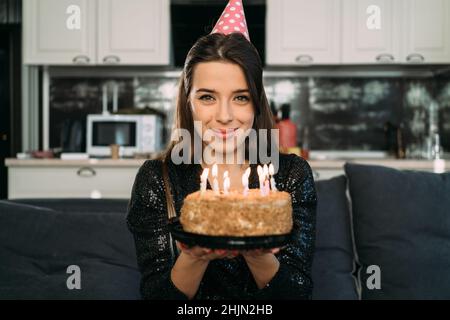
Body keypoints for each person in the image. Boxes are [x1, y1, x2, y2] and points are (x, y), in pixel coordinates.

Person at [127, 0, 317, 300]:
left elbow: (297, 293)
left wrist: (256, 254)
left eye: (240, 98)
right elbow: (156, 296)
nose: (225, 115)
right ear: (187, 102)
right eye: (207, 97)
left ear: (256, 102)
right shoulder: (157, 179)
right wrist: (195, 256)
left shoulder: (291, 175)